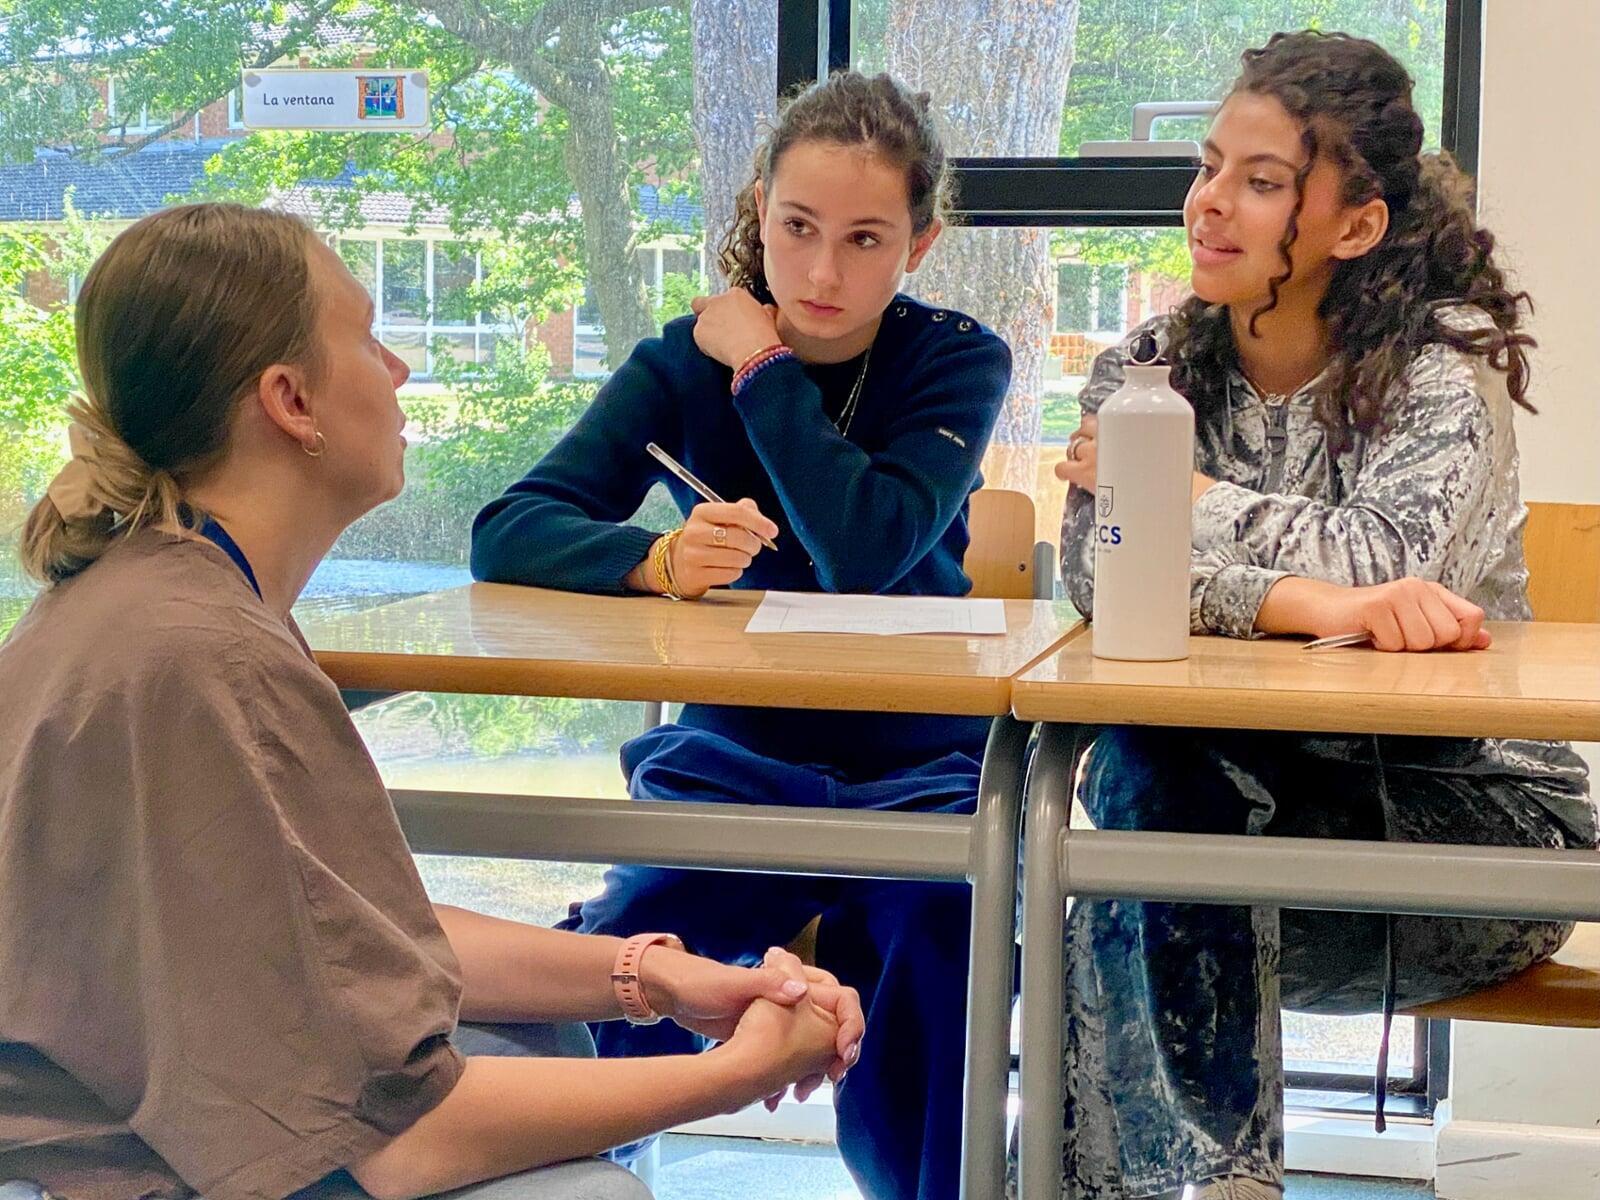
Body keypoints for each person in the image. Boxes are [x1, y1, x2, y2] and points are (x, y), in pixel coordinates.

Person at [0, 202, 864, 1200]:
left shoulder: (166, 600)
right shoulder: (206, 660)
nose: (400, 368)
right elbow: (406, 1142)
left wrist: (651, 975)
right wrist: (736, 1073)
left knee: (554, 1034)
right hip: (100, 1169)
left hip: (120, 1118)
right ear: (290, 400)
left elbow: (350, 938)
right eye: (369, 339)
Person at [1048, 30, 1596, 1200]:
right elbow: (1100, 580)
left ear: (1355, 225)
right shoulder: (1145, 371)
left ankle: (1165, 1183)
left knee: (1124, 877)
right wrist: (1310, 599)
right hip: (1218, 819)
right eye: (1208, 167)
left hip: (1462, 833)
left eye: (1260, 181)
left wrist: (1191, 498)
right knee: (1137, 800)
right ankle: (1218, 1184)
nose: (1208, 202)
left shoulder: (1439, 373)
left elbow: (1391, 558)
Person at [471, 71, 1013, 1200]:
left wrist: (762, 366)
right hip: (728, 760)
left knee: (945, 935)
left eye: (865, 240)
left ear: (918, 245)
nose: (821, 274)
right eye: (797, 227)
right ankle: (576, 1176)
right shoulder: (680, 361)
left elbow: (865, 546)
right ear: (759, 209)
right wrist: (654, 561)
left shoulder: (959, 358)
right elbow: (508, 527)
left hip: (924, 767)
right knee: (633, 939)